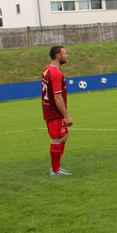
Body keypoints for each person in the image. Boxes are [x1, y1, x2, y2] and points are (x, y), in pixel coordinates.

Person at [41, 46, 73, 176]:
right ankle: (55, 170)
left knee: (64, 136)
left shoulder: (47, 69)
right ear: (58, 56)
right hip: (54, 112)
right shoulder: (55, 73)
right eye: (65, 53)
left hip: (50, 110)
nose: (67, 55)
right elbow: (57, 95)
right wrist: (66, 115)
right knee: (56, 138)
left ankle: (56, 167)